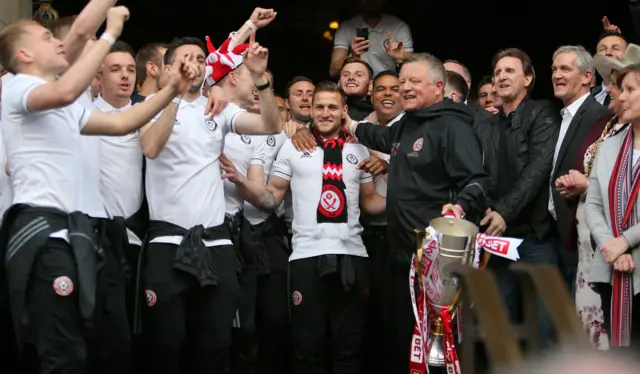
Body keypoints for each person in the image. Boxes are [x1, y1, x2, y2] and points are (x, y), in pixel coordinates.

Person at [0, 6, 197, 373]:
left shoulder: (69, 105)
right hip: (42, 230)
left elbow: (123, 122)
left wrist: (172, 89)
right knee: (63, 354)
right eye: (47, 38)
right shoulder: (17, 86)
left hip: (83, 232)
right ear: (24, 55)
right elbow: (65, 84)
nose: (61, 43)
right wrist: (108, 34)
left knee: (112, 345)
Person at [291, 52, 489, 373]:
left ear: (438, 87)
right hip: (403, 256)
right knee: (402, 341)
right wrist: (349, 124)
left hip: (438, 262)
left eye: (414, 82)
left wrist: (460, 205)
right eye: (402, 82)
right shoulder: (408, 123)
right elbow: (379, 136)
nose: (404, 88)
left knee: (438, 349)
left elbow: (477, 181)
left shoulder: (453, 126)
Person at [137, 28, 282, 373]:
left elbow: (270, 125)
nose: (195, 65)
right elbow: (151, 148)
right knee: (166, 345)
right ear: (167, 68)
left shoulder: (218, 109)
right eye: (186, 59)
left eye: (201, 59)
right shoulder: (148, 105)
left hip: (216, 242)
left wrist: (260, 78)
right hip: (167, 240)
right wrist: (173, 96)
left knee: (216, 345)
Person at [223, 81, 385, 374]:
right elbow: (272, 198)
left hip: (353, 255)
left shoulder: (359, 148)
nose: (325, 113)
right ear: (310, 110)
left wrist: (408, 185)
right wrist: (243, 182)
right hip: (306, 257)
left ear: (344, 111)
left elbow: (371, 202)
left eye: (332, 107)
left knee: (349, 348)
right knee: (307, 349)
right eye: (319, 107)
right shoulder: (293, 146)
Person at [586, 64, 640, 349]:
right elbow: (593, 205)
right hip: (612, 269)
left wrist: (625, 241)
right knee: (623, 360)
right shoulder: (609, 146)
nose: (622, 97)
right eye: (623, 90)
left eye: (631, 90)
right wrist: (611, 244)